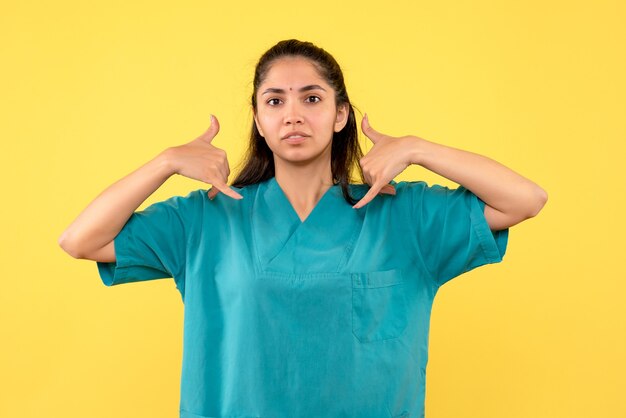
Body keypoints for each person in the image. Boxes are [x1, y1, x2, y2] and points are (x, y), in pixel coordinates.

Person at [59, 39, 547, 418]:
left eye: (311, 98)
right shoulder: (206, 219)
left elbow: (526, 199)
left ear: (340, 116)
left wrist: (418, 149)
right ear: (258, 119)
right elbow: (81, 241)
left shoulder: (405, 217)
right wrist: (164, 162)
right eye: (274, 101)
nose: (292, 113)